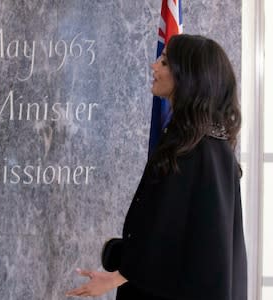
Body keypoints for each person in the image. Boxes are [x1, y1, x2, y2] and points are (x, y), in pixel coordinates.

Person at [66, 34, 247, 300]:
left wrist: (116, 273)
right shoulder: (204, 144)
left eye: (164, 62)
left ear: (186, 76)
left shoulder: (195, 149)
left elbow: (170, 236)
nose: (154, 66)